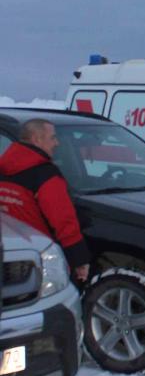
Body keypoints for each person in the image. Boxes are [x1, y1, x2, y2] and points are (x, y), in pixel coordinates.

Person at [0, 118, 90, 282]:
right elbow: (63, 220)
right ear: (36, 139)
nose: (57, 143)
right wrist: (79, 260)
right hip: (40, 259)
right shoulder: (45, 175)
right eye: (53, 137)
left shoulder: (3, 168)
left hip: (8, 254)